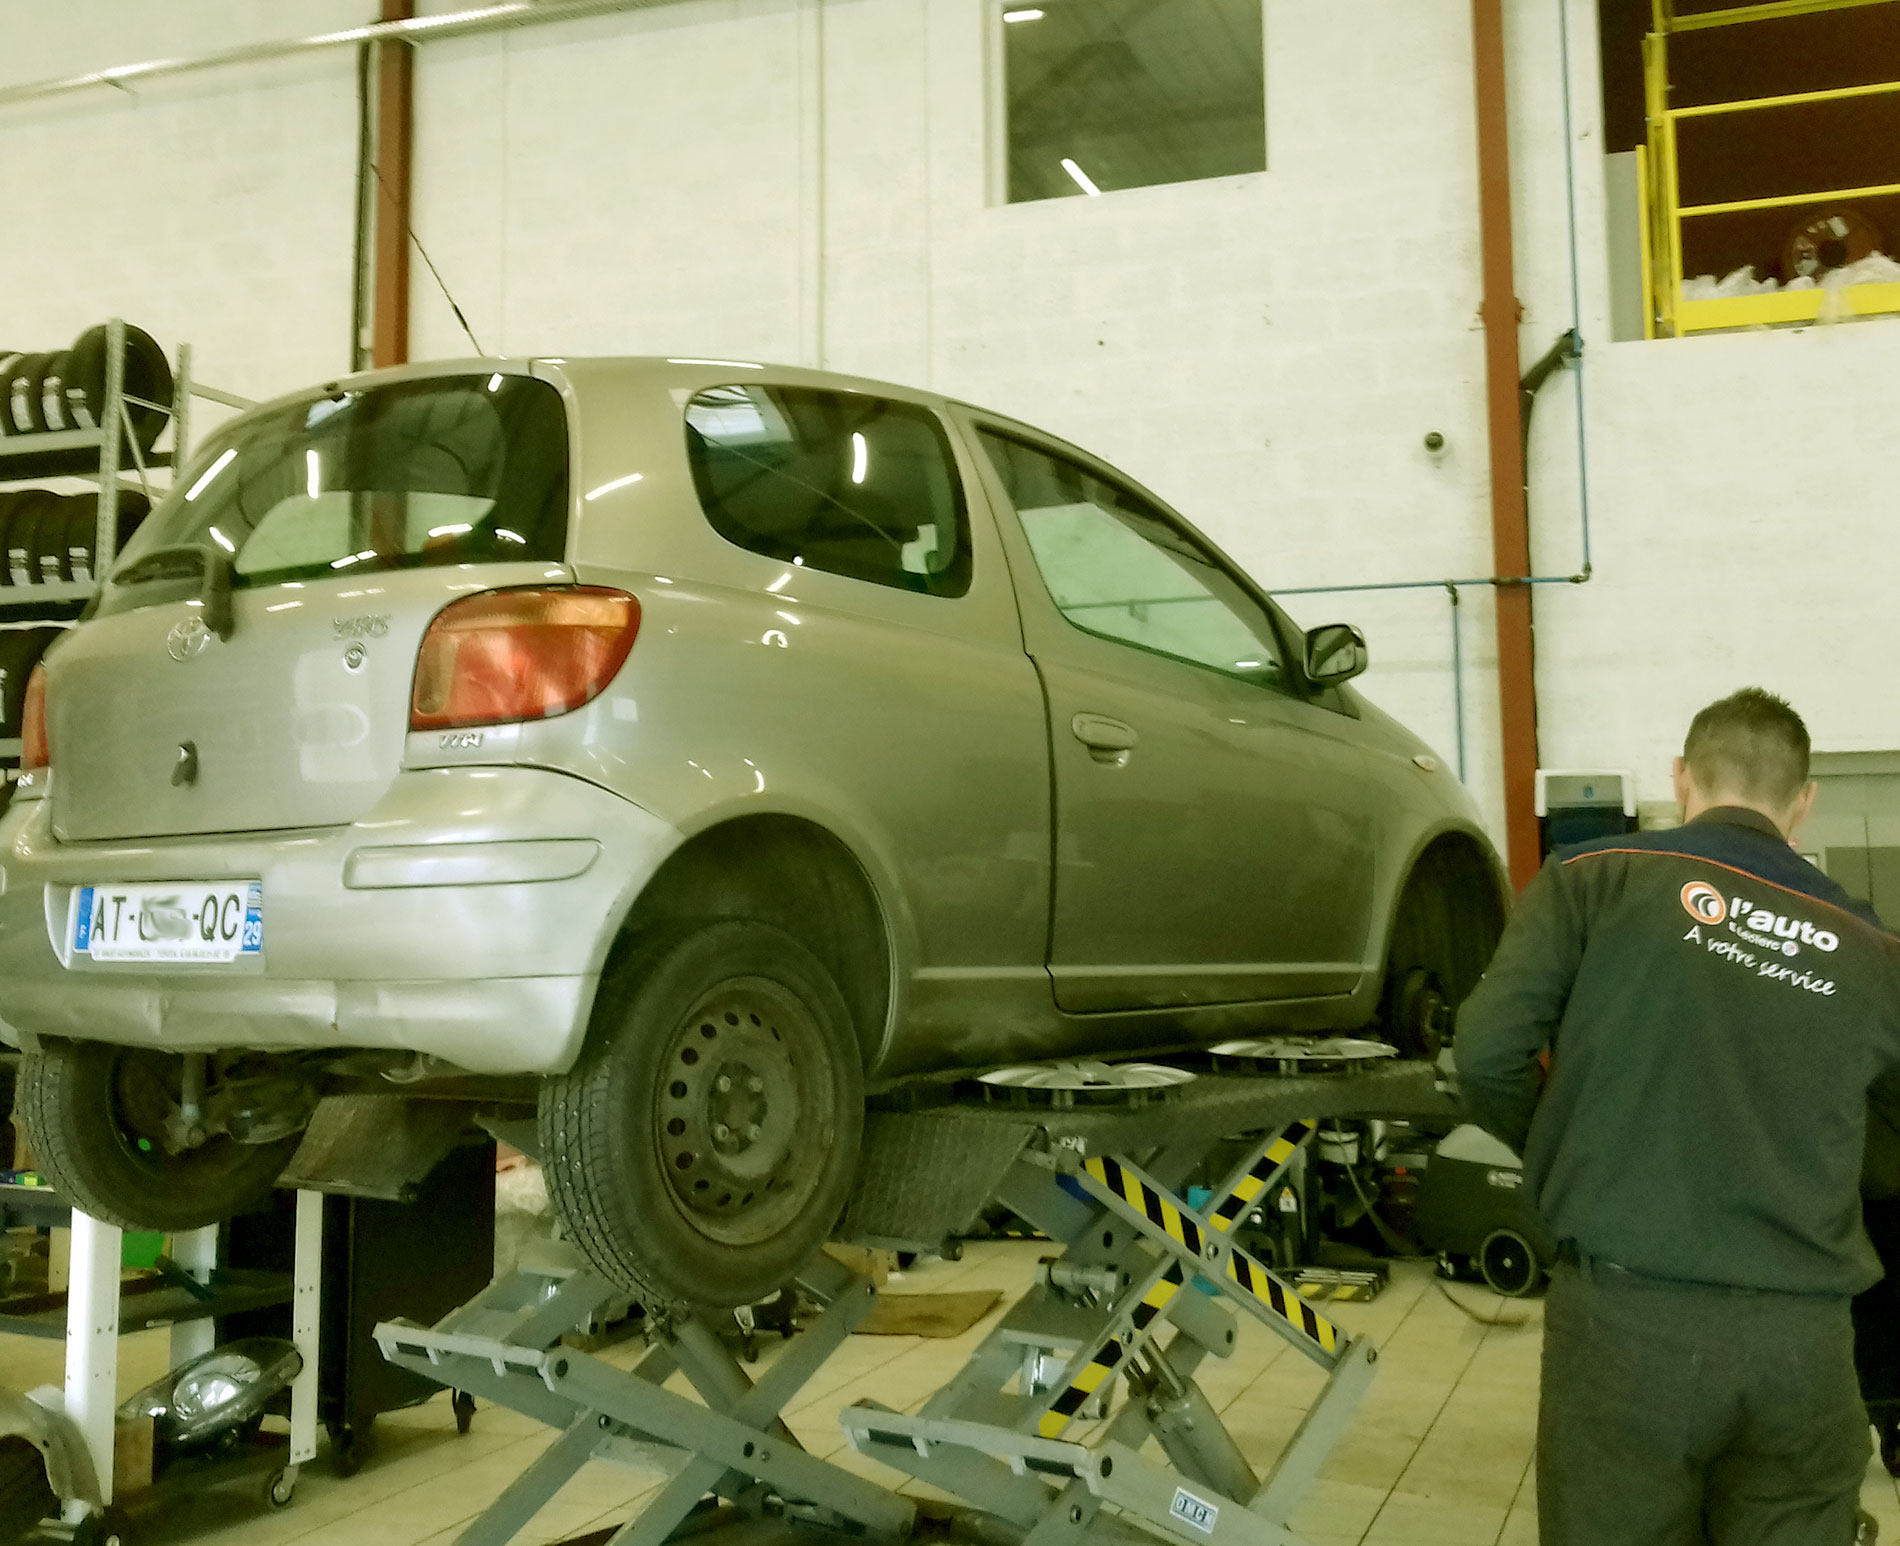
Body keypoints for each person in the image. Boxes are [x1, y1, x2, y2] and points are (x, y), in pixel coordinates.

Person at [1455, 687, 1900, 1546]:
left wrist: (1570, 1150)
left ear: (1681, 779)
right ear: (1802, 803)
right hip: (1804, 1345)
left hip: (1627, 1327)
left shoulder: (1593, 878)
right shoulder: (1873, 949)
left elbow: (1484, 1054)